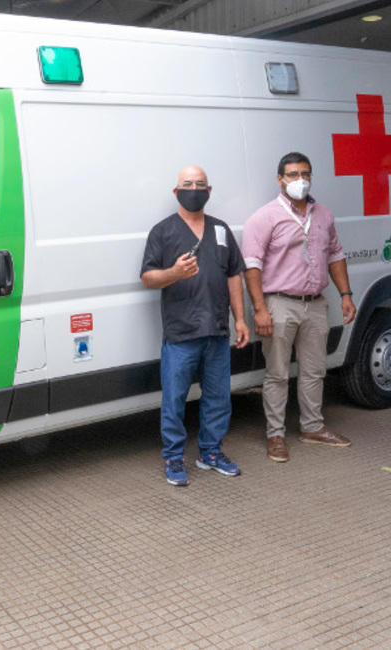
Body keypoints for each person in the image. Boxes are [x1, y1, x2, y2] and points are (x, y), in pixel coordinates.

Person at [242, 152, 356, 463]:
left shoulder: (323, 214)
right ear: (279, 179)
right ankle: (275, 436)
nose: (299, 180)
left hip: (315, 305)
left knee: (314, 371)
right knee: (277, 374)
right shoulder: (264, 218)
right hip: (279, 304)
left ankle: (312, 427)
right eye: (292, 175)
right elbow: (251, 266)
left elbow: (335, 255)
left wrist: (345, 294)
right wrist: (260, 309)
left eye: (305, 173)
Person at [140, 165, 250, 486]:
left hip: (217, 330)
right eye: (187, 184)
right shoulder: (162, 232)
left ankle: (210, 453)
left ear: (209, 190)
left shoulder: (220, 230)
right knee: (174, 399)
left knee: (219, 397)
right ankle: (174, 458)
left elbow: (233, 275)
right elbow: (147, 278)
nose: (194, 188)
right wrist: (173, 273)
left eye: (200, 183)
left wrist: (240, 319)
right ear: (176, 192)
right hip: (181, 333)